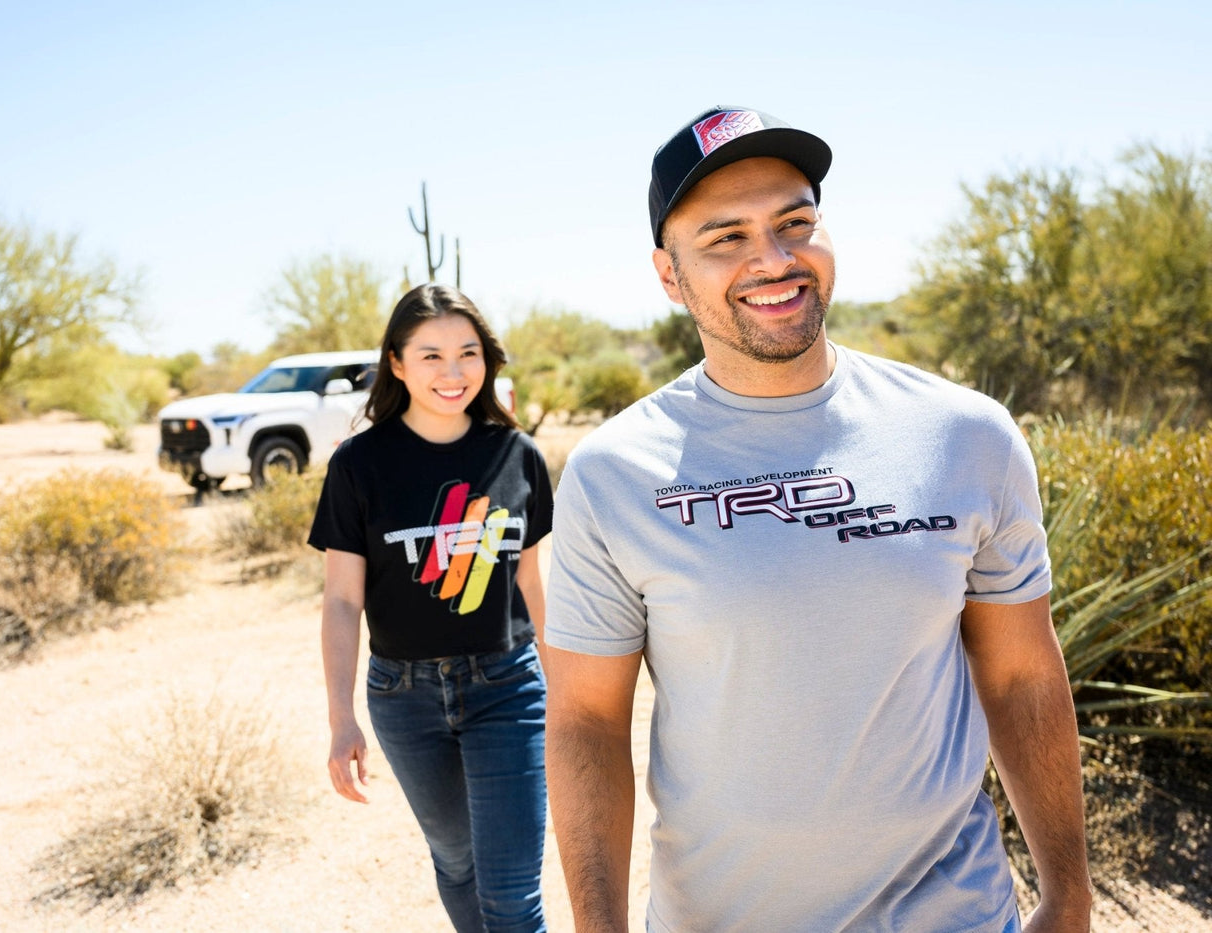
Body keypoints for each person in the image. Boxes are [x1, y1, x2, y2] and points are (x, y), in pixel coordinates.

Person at [543, 107, 1092, 932]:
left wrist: (1070, 896)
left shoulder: (967, 435)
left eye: (795, 221)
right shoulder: (615, 472)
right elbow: (587, 717)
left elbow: (1022, 676)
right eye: (725, 237)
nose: (773, 259)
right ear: (668, 273)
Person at [309, 283, 554, 933]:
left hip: (508, 687)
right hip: (404, 696)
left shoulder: (518, 455)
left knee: (512, 894)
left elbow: (534, 582)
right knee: (455, 862)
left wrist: (570, 691)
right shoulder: (360, 464)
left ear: (488, 358)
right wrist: (341, 719)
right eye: (431, 356)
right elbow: (340, 599)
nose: (453, 373)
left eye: (468, 353)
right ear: (395, 362)